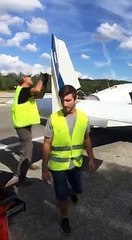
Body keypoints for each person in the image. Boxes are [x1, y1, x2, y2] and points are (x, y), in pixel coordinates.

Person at [42, 84, 95, 234]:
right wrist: (44, 168)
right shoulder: (53, 118)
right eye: (62, 101)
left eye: (68, 100)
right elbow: (46, 143)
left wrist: (91, 157)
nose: (65, 104)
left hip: (76, 164)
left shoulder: (84, 118)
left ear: (76, 99)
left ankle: (72, 192)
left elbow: (86, 138)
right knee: (62, 196)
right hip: (57, 166)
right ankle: (64, 217)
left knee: (78, 189)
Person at [11, 73, 48, 183]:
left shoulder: (25, 92)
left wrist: (44, 82)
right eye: (29, 77)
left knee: (28, 147)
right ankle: (20, 177)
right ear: (24, 79)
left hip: (24, 124)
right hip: (22, 125)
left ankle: (27, 164)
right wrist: (42, 79)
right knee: (26, 150)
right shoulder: (23, 90)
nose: (31, 78)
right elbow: (37, 90)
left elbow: (39, 94)